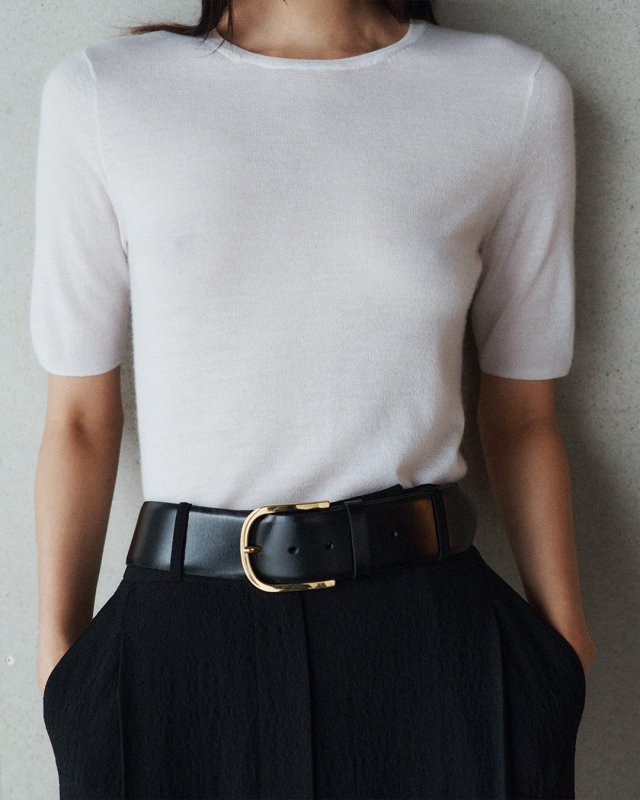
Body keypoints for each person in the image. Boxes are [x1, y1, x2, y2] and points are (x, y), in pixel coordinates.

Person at [30, 0, 597, 798]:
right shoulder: (103, 94)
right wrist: (64, 667)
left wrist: (562, 650)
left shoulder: (511, 93)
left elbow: (525, 413)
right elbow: (79, 420)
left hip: (437, 649)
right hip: (175, 661)